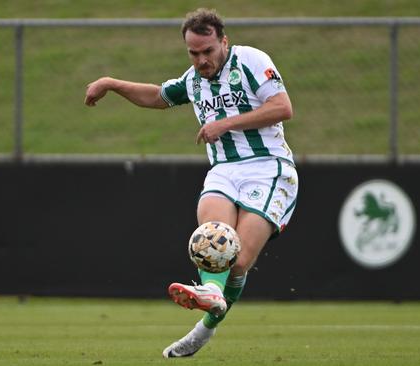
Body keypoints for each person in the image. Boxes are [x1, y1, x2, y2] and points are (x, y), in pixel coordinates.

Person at [84, 8, 298, 358]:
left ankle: (205, 329)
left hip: (269, 168)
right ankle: (212, 296)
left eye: (207, 51)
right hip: (224, 170)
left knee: (239, 262)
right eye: (193, 53)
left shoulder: (252, 61)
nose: (201, 60)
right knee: (212, 237)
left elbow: (282, 107)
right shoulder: (194, 80)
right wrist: (111, 83)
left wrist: (226, 124)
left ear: (223, 42)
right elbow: (156, 96)